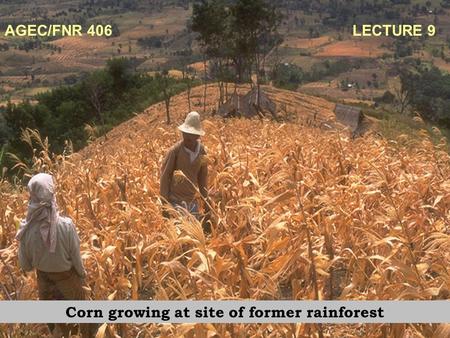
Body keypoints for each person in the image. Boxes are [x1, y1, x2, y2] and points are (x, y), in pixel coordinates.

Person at [16, 173, 94, 337]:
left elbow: (26, 266)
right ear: (52, 193)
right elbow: (76, 258)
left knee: (60, 329)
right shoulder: (66, 226)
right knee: (84, 322)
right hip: (68, 281)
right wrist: (82, 275)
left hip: (45, 284)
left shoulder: (25, 230)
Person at [160, 111, 211, 231]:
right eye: (185, 133)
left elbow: (202, 179)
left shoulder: (202, 152)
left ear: (198, 136)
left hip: (192, 202)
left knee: (194, 235)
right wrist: (164, 204)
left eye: (191, 134)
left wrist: (206, 201)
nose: (186, 136)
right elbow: (165, 175)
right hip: (175, 201)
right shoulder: (175, 151)